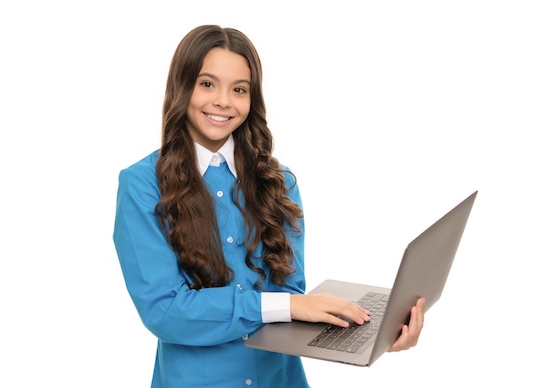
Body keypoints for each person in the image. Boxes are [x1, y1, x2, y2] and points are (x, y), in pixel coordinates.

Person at [112, 24, 425, 388]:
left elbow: (291, 299)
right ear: (181, 87)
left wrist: (378, 331)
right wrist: (285, 307)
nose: (223, 101)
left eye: (239, 89)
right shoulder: (141, 184)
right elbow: (164, 312)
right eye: (207, 84)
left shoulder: (280, 181)